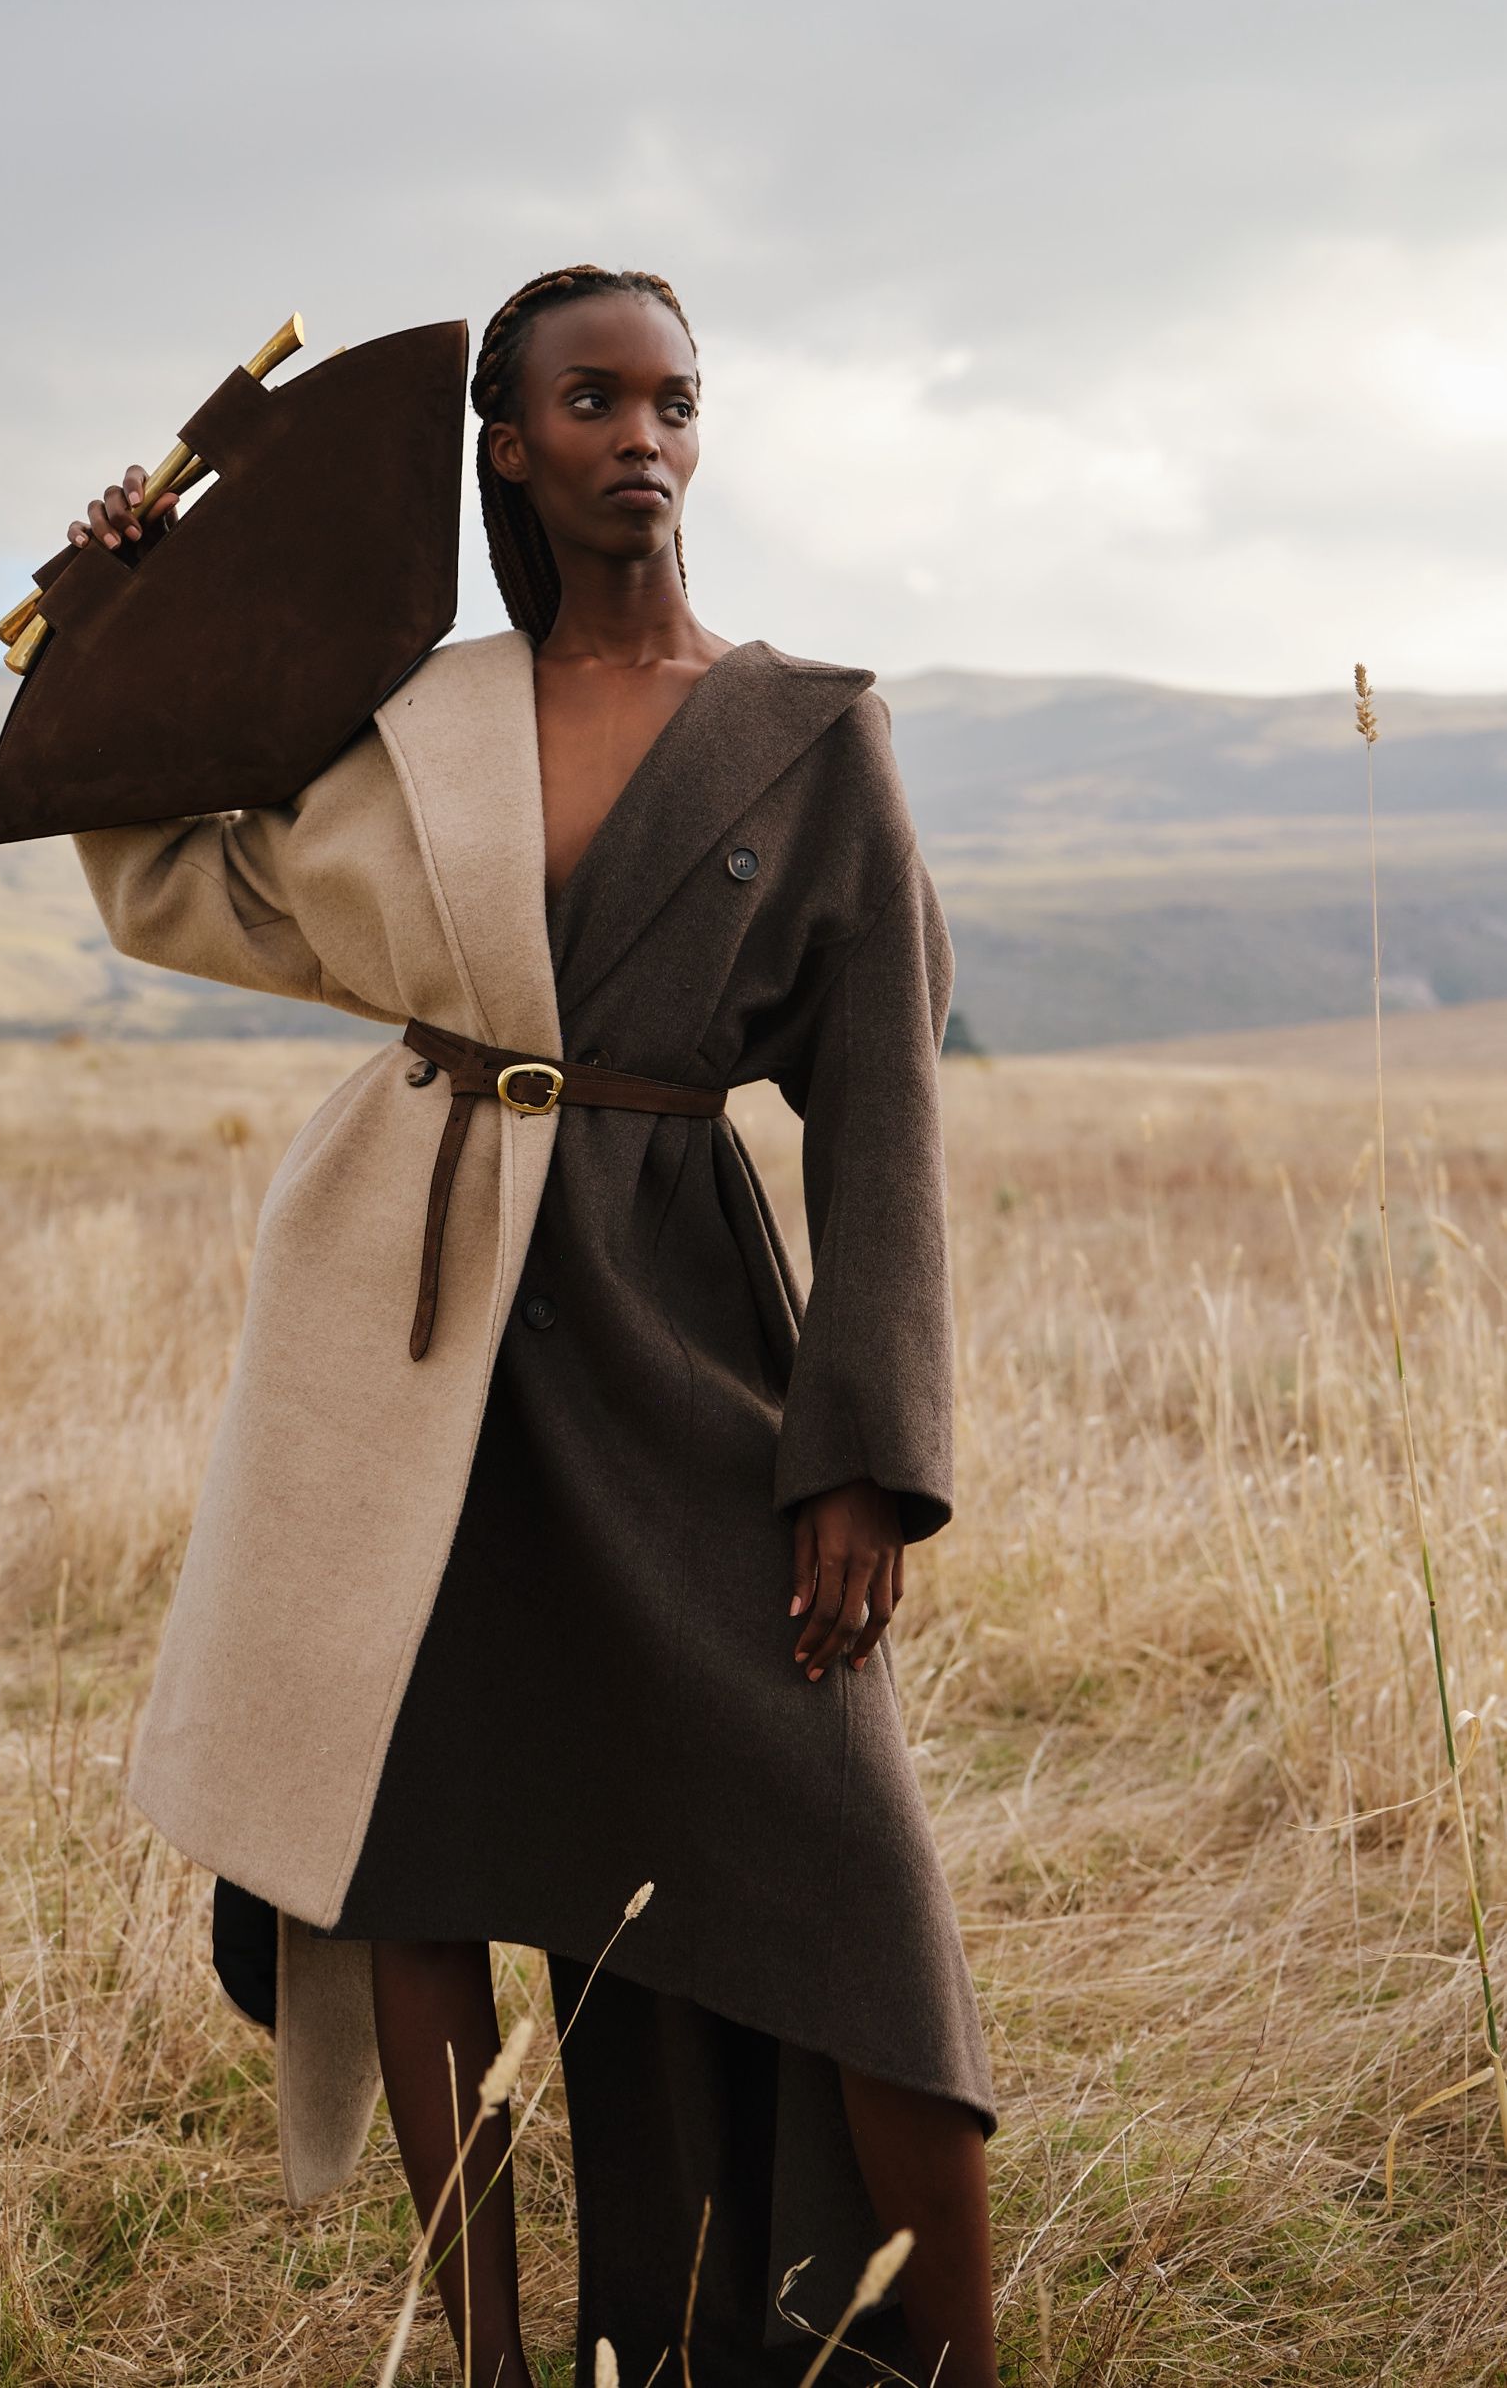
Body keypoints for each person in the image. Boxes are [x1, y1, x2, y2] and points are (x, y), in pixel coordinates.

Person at [65, 266, 995, 2387]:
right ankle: (483, 2354)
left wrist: (856, 1451)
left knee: (848, 1884)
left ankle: (934, 2358)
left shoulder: (810, 727)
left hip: (687, 1347)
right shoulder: (419, 719)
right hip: (405, 1348)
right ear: (506, 440)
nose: (641, 433)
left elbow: (880, 1117)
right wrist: (121, 612)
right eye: (591, 398)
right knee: (411, 1856)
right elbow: (179, 877)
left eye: (672, 396)